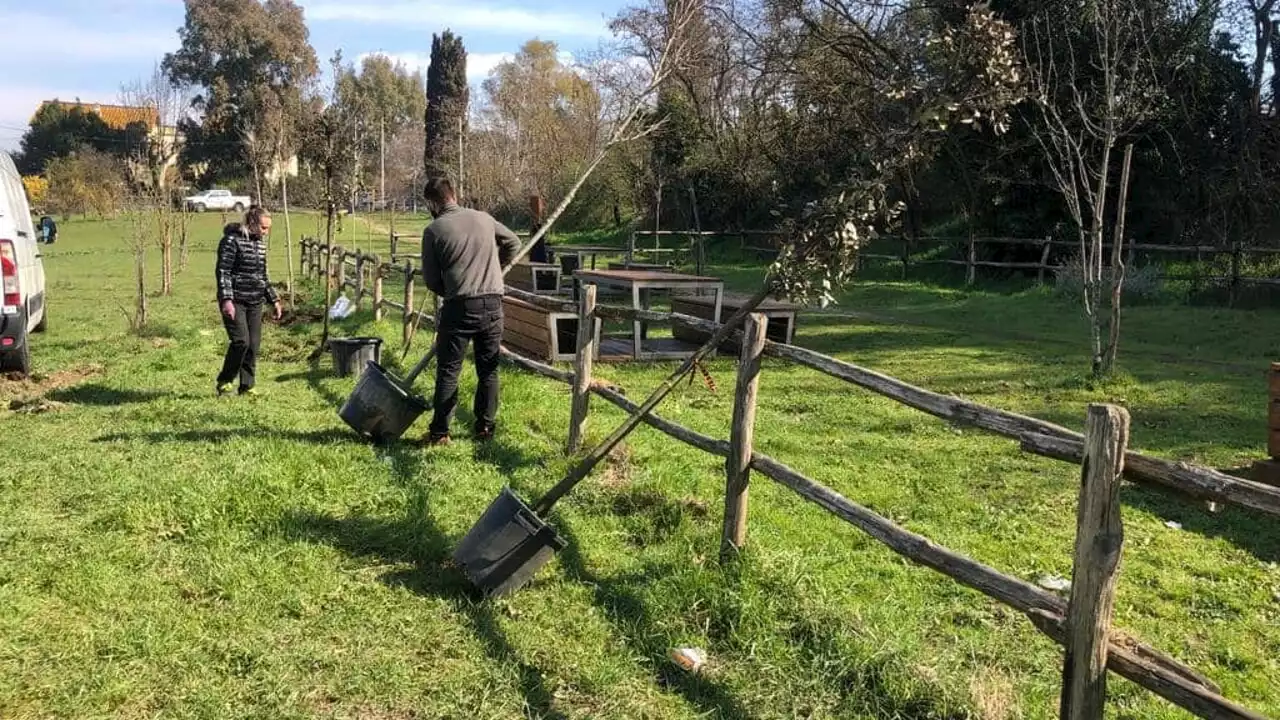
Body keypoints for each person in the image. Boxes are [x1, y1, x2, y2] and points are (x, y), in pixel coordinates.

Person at [419, 176, 521, 446]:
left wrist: (451, 289)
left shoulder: (434, 230)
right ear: (453, 194)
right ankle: (485, 428)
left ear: (431, 202)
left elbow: (430, 280)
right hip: (492, 304)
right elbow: (513, 242)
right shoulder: (485, 219)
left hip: (459, 306)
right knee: (488, 370)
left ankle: (440, 433)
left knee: (449, 370)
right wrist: (496, 269)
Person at [215, 205, 282, 397]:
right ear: (252, 223)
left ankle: (247, 386)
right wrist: (227, 299)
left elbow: (262, 275)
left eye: (268, 228)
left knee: (253, 345)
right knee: (241, 341)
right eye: (263, 228)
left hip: (255, 300)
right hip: (235, 299)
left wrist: (274, 299)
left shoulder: (259, 244)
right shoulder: (230, 241)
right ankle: (225, 380)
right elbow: (223, 272)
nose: (266, 232)